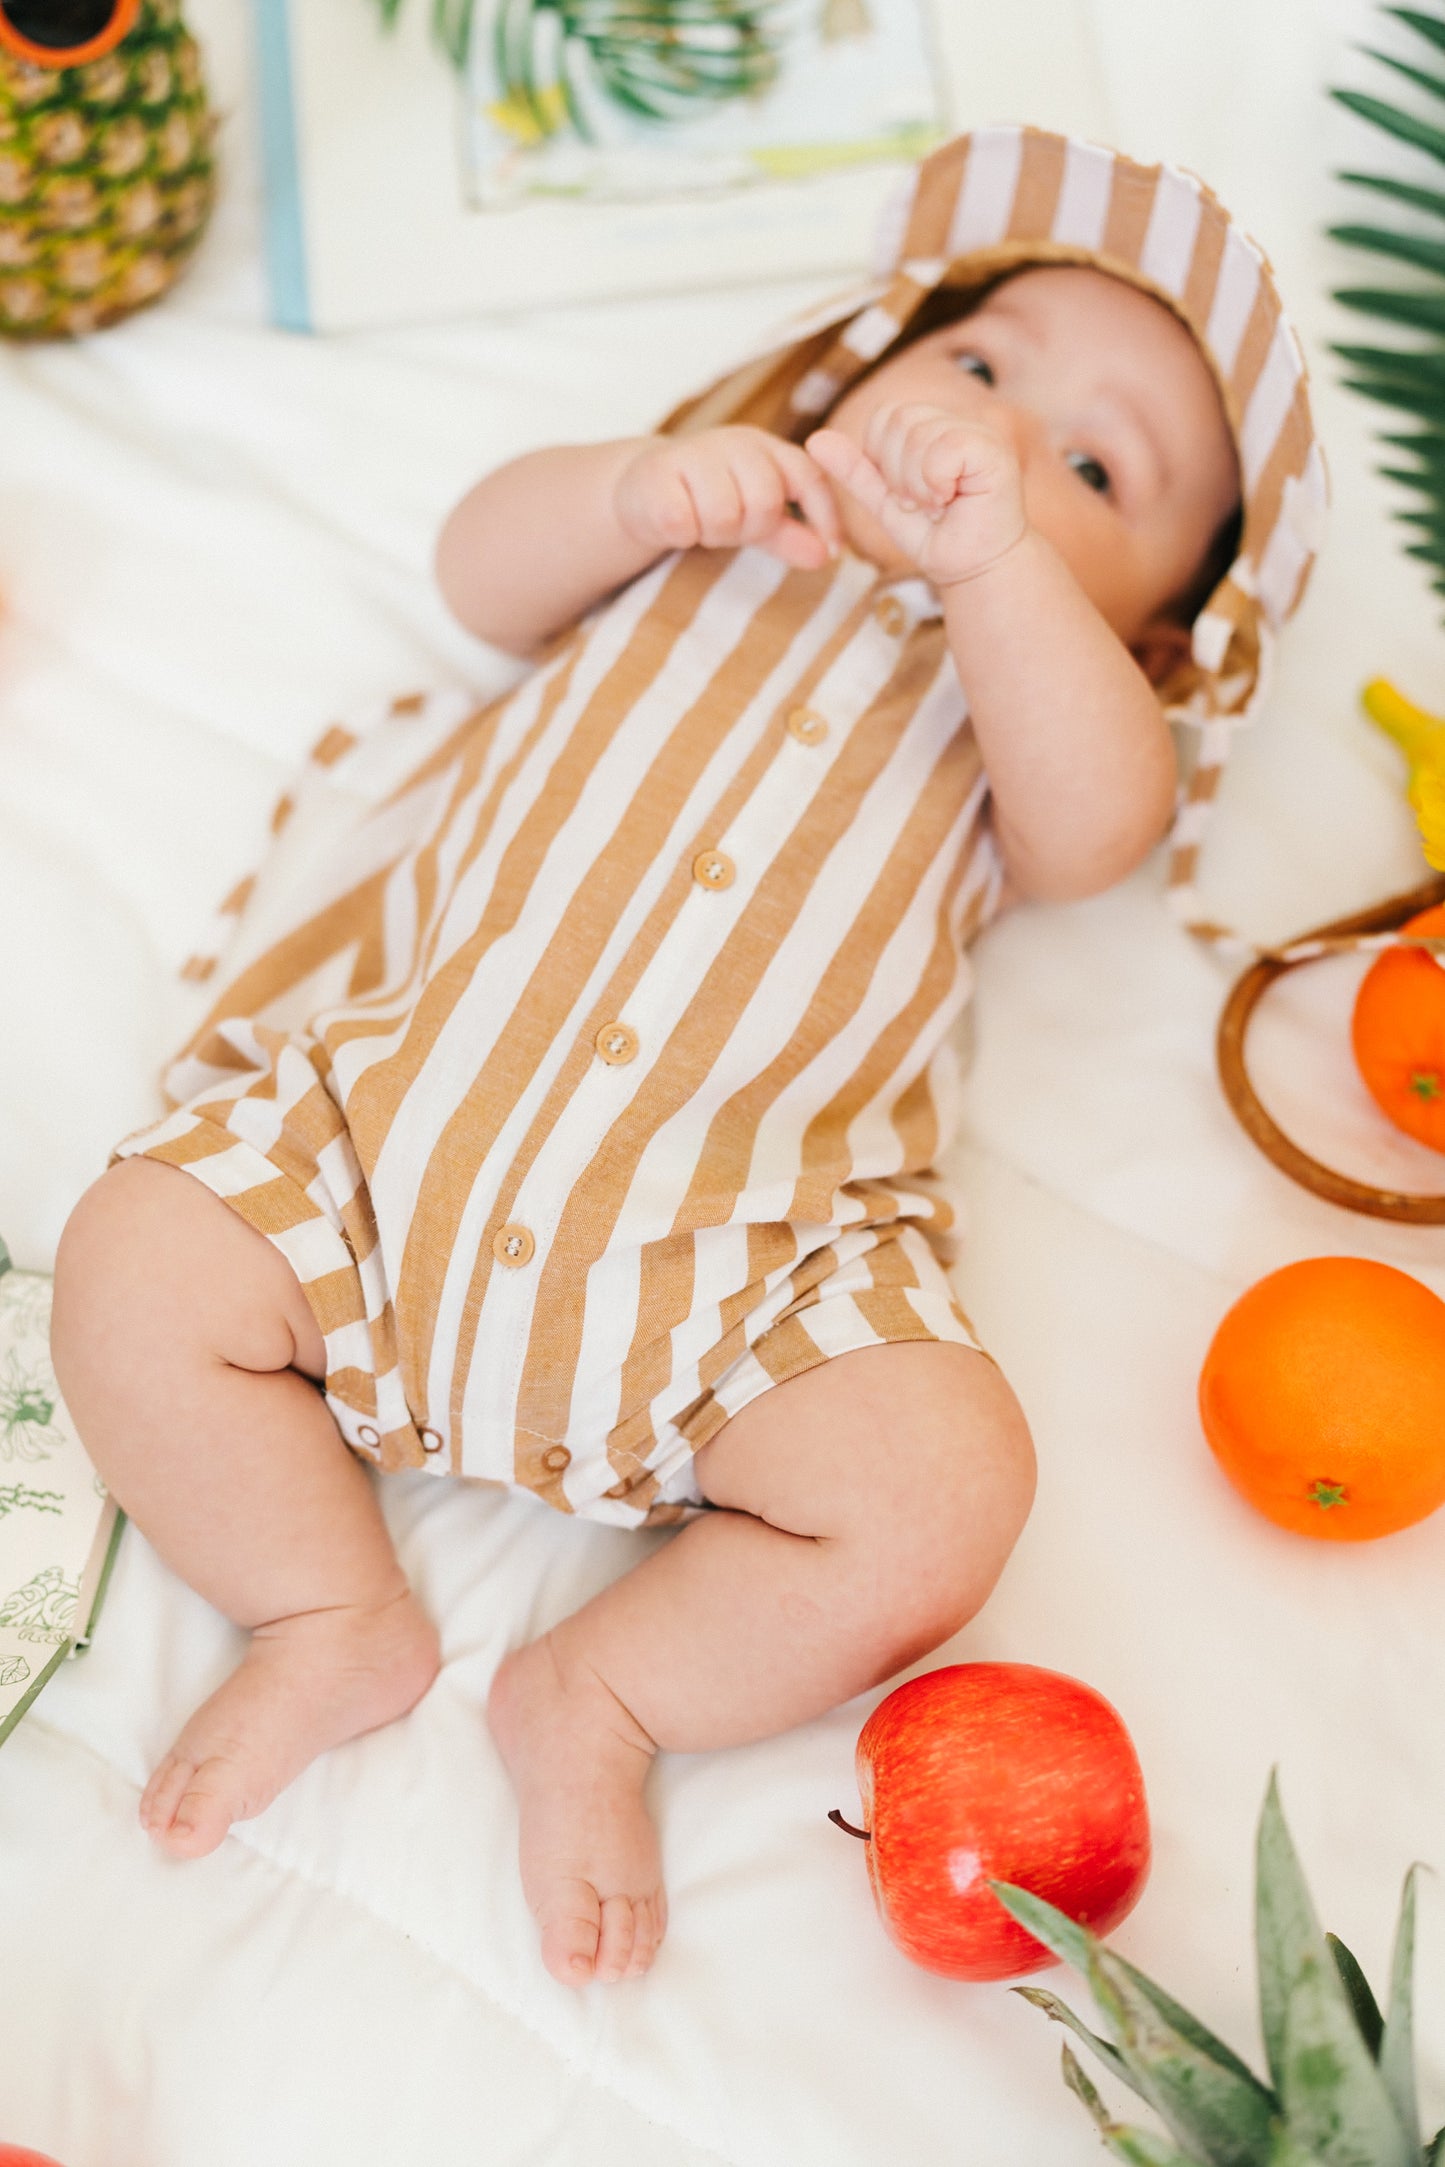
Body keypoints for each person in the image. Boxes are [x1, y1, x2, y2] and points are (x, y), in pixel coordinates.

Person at [49, 127, 1321, 1989]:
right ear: (855, 370)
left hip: (740, 1261)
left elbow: (1098, 830)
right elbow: (482, 571)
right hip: (395, 1140)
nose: (995, 438)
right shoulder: (708, 531)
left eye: (1092, 467)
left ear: (1154, 631)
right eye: (976, 359)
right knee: (134, 1261)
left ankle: (606, 1690)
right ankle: (327, 1607)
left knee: (940, 1493)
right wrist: (643, 491)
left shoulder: (1029, 702)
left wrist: (998, 584)